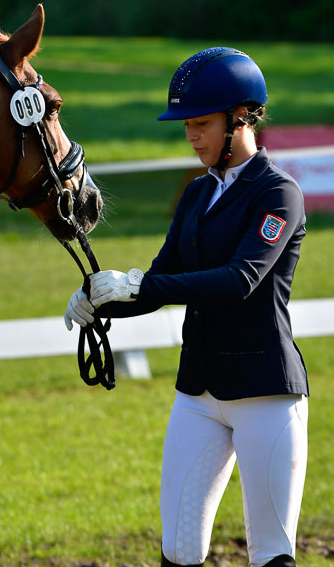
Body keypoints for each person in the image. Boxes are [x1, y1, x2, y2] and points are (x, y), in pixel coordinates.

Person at [64, 47, 309, 567]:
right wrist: (101, 300)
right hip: (197, 389)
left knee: (270, 552)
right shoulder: (197, 194)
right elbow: (160, 280)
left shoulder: (279, 193)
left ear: (240, 118)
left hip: (265, 388)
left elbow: (241, 279)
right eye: (187, 126)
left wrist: (139, 286)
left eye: (201, 124)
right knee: (177, 549)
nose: (191, 136)